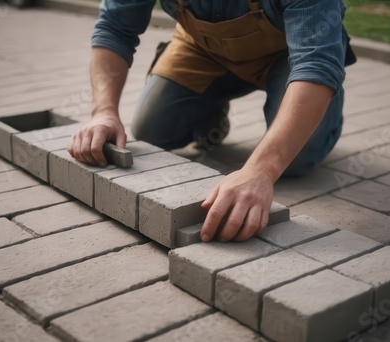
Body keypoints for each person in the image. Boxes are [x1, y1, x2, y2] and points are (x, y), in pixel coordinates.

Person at [67, 0, 356, 243]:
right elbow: (114, 28)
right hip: (203, 49)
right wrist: (103, 111)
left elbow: (315, 63)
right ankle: (209, 111)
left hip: (292, 55)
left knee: (295, 160)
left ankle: (323, 111)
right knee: (152, 130)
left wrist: (261, 171)